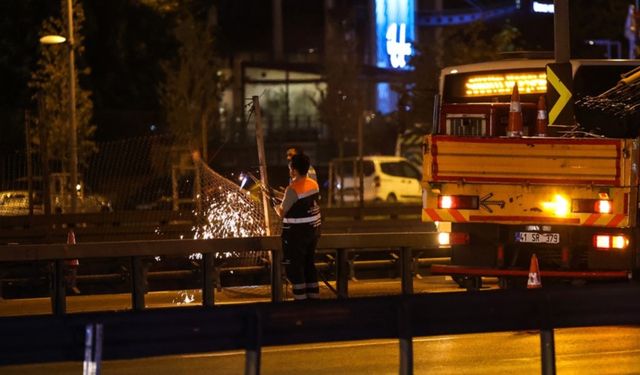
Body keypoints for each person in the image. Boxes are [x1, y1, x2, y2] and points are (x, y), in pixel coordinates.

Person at [276, 153, 322, 300]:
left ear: (294, 170)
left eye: (291, 168)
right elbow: (302, 202)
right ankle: (314, 297)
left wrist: (276, 205)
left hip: (296, 235)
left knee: (296, 267)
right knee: (309, 264)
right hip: (313, 232)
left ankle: (300, 301)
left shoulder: (292, 189)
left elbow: (282, 212)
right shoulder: (313, 184)